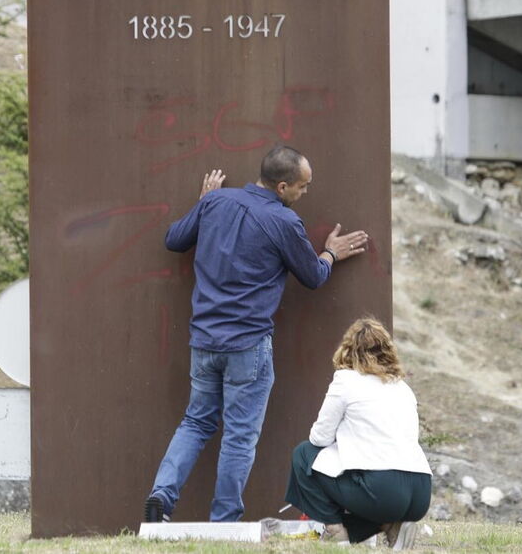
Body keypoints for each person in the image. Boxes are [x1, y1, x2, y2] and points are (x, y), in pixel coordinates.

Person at [144, 145, 370, 523]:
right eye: (303, 186)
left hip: (203, 340)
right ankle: (224, 521)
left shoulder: (216, 203)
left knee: (196, 422)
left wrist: (203, 205)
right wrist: (329, 253)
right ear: (282, 187)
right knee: (238, 435)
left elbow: (174, 239)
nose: (306, 193)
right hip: (248, 346)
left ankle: (161, 496)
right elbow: (313, 277)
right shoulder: (284, 222)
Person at [285, 317, 431, 549]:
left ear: (348, 349)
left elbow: (319, 438)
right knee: (370, 490)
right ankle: (392, 525)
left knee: (303, 455)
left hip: (383, 490)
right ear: (388, 351)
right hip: (420, 492)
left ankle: (335, 530)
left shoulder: (346, 380)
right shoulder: (403, 388)